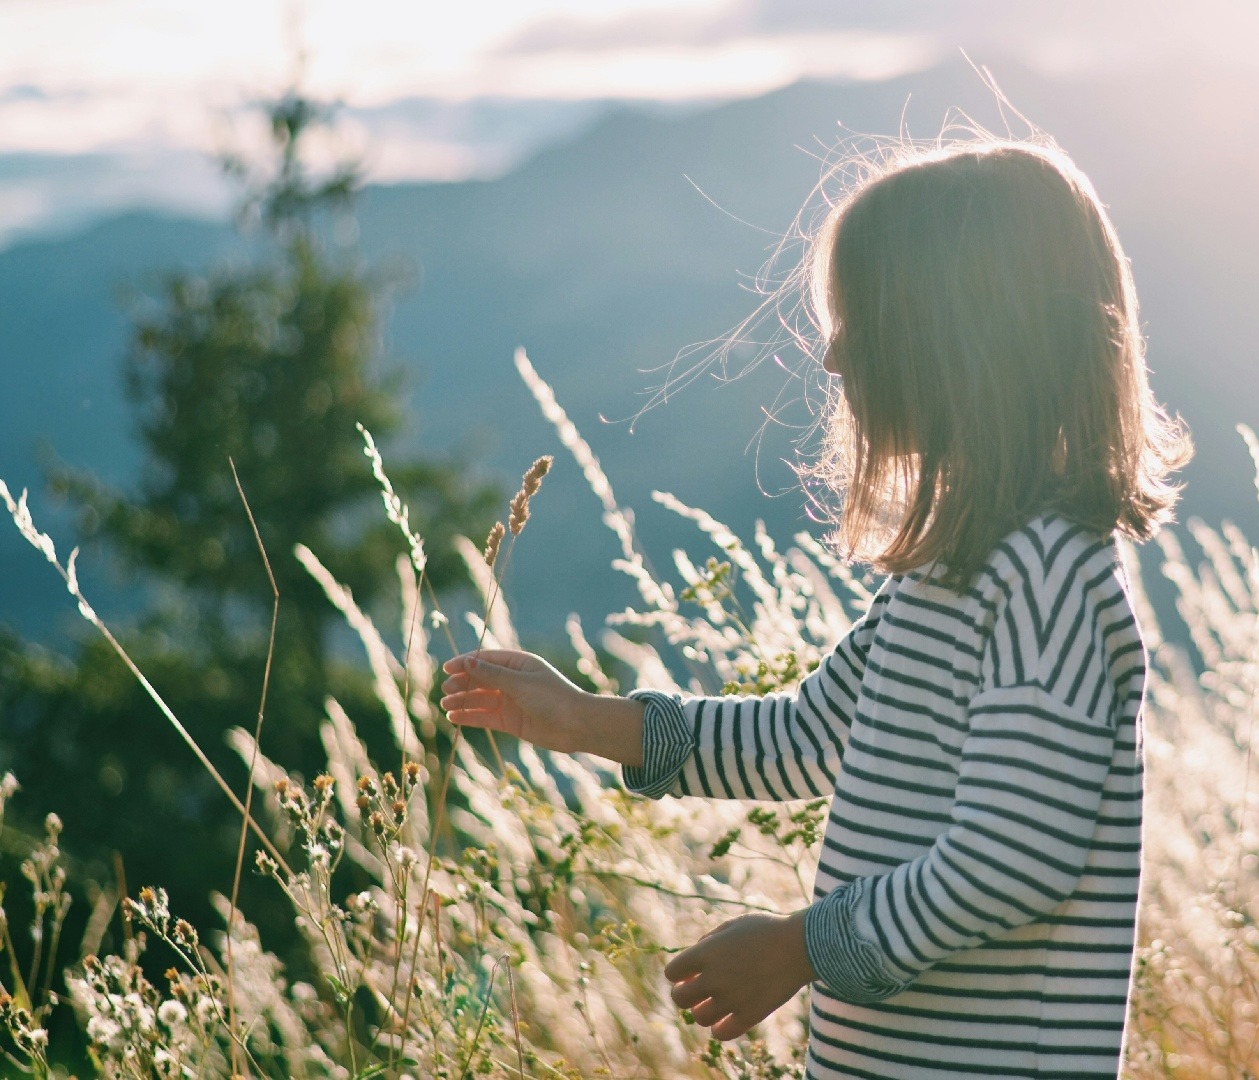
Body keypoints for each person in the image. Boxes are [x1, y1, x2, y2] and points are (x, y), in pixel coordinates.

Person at [439, 136, 1190, 1079]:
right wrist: (590, 721)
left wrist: (798, 947)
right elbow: (809, 734)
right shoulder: (948, 572)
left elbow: (1011, 860)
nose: (833, 357)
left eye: (863, 322)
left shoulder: (1048, 577)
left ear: (964, 341)